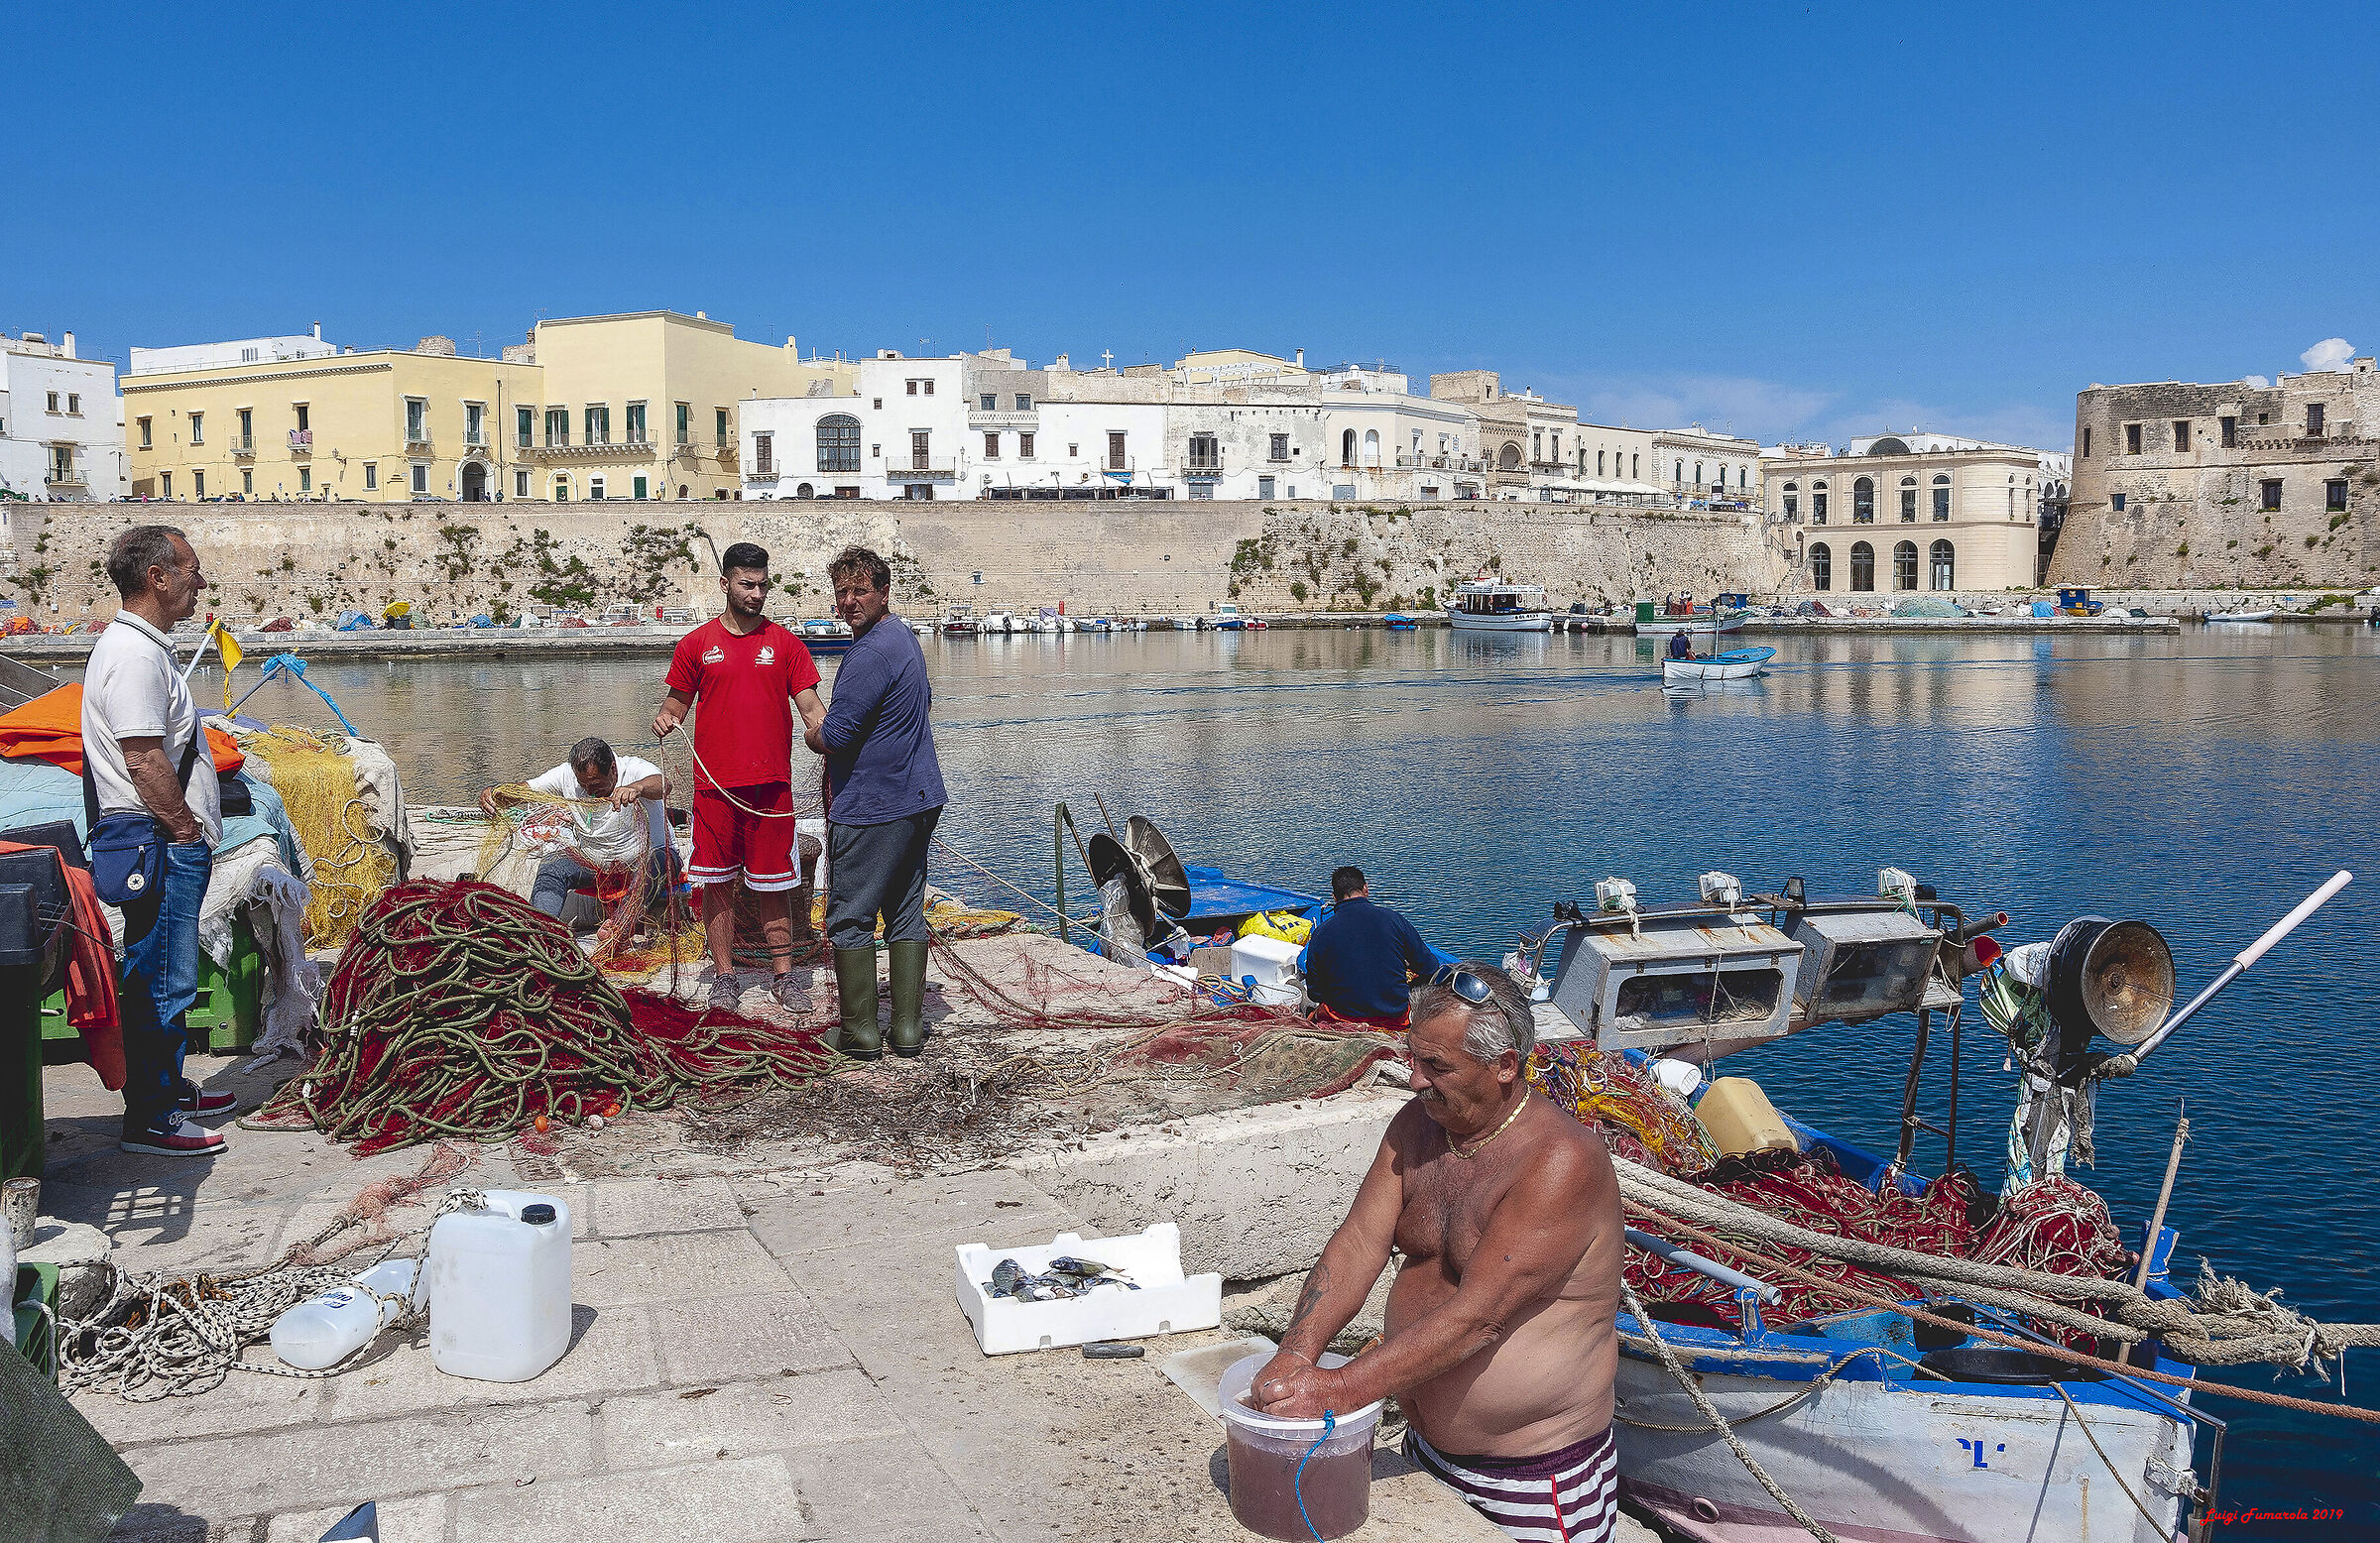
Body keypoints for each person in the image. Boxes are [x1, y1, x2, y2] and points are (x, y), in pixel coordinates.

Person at [1249, 963, 1622, 1542]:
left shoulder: (1558, 1160)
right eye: (1414, 1058)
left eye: (1437, 1067)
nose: (1415, 1079)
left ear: (1503, 1066)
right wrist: (1298, 1355)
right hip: (1421, 1447)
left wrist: (1338, 1389)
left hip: (1529, 1475)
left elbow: (1480, 1317)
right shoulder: (1416, 1127)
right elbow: (1357, 1245)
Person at [83, 526, 236, 1156]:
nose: (200, 584)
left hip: (159, 837)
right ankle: (151, 1117)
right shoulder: (136, 656)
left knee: (164, 968)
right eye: (192, 571)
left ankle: (166, 1089)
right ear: (158, 578)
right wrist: (184, 828)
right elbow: (144, 757)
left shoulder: (142, 648)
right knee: (162, 977)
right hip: (158, 839)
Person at [653, 542, 825, 1012]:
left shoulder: (787, 644)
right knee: (716, 884)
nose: (757, 593)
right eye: (747, 585)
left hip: (772, 789)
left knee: (776, 884)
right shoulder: (696, 644)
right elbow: (676, 703)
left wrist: (834, 740)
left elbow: (812, 710)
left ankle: (784, 975)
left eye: (763, 585)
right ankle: (725, 975)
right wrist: (666, 717)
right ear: (725, 584)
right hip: (714, 788)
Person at [802, 545, 946, 1060]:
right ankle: (907, 1030)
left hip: (873, 805)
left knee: (851, 916)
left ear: (883, 593)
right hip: (919, 796)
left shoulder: (866, 654)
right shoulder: (904, 636)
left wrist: (812, 732)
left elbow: (837, 734)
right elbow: (924, 702)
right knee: (905, 909)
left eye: (860, 591)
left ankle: (859, 1033)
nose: (849, 602)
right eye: (841, 592)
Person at [480, 737, 676, 921]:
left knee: (656, 863)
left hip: (647, 859)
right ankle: (542, 929)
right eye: (584, 786)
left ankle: (619, 929)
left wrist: (637, 788)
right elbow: (527, 789)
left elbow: (664, 785)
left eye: (596, 785)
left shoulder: (634, 768)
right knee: (553, 864)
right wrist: (496, 794)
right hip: (595, 866)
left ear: (613, 768)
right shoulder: (566, 774)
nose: (590, 793)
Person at [1302, 866, 1438, 1029]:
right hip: (1395, 1017)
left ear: (1334, 897)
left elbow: (1315, 992)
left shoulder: (1321, 932)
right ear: (1365, 888)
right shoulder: (1394, 920)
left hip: (1342, 1018)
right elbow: (1430, 967)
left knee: (1300, 992)